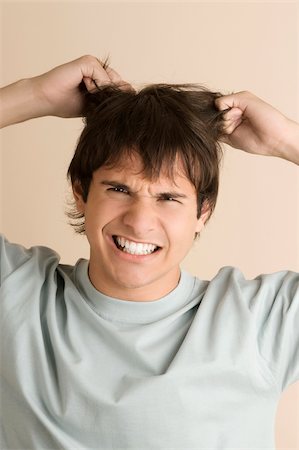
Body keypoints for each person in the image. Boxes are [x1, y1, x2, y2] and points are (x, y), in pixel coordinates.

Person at [0, 55, 298, 450]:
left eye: (169, 197)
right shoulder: (16, 294)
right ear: (81, 192)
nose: (140, 221)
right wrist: (32, 94)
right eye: (119, 189)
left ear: (201, 213)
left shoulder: (262, 321)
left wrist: (285, 140)